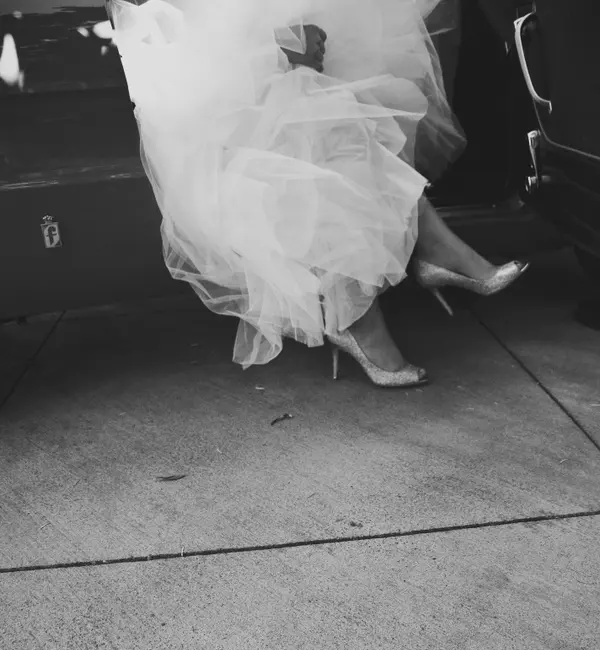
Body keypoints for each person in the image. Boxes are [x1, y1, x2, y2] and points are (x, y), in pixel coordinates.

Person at [109, 0, 528, 387]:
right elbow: (174, 32)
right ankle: (416, 265)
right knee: (314, 124)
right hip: (201, 87)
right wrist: (270, 45)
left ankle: (362, 311)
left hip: (255, 56)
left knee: (330, 117)